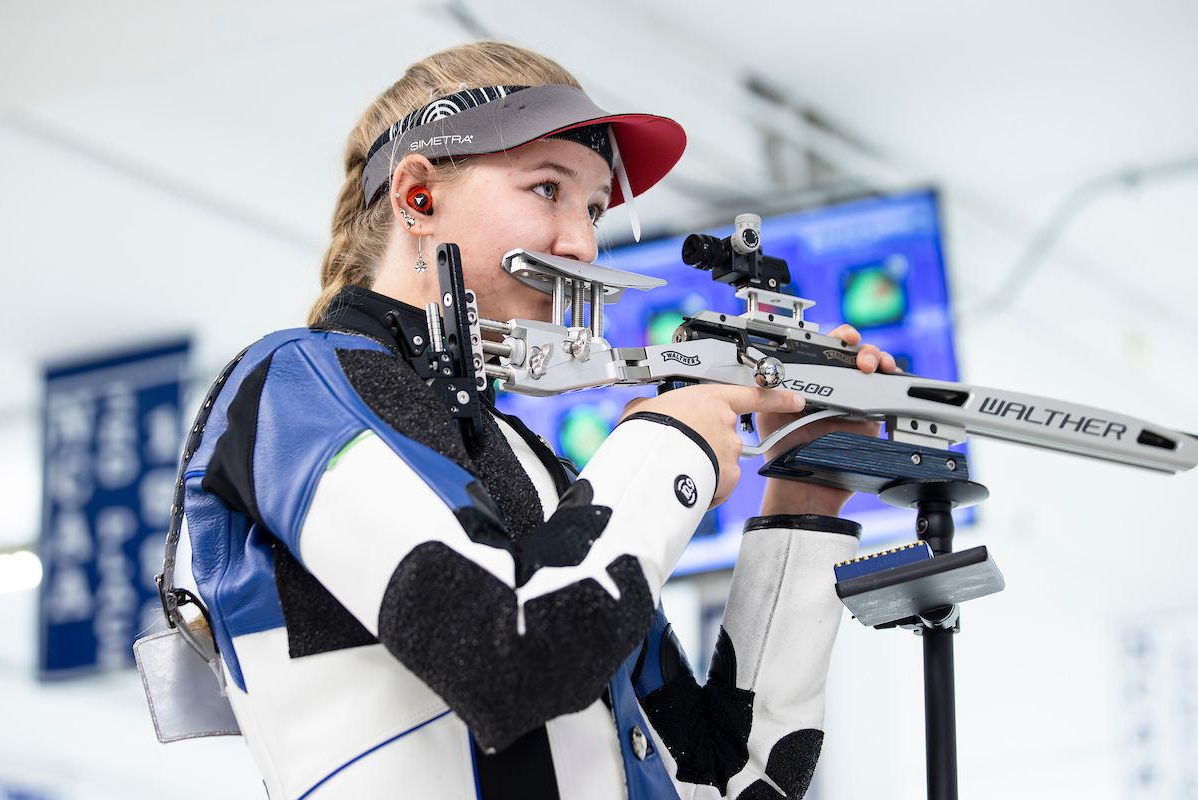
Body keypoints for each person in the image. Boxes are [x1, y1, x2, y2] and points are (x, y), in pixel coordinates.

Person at [183, 41, 897, 800]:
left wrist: (805, 497)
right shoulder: (292, 384)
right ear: (417, 197)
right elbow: (504, 655)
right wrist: (671, 445)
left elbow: (735, 777)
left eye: (592, 207)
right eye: (547, 189)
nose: (581, 242)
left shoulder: (539, 470)